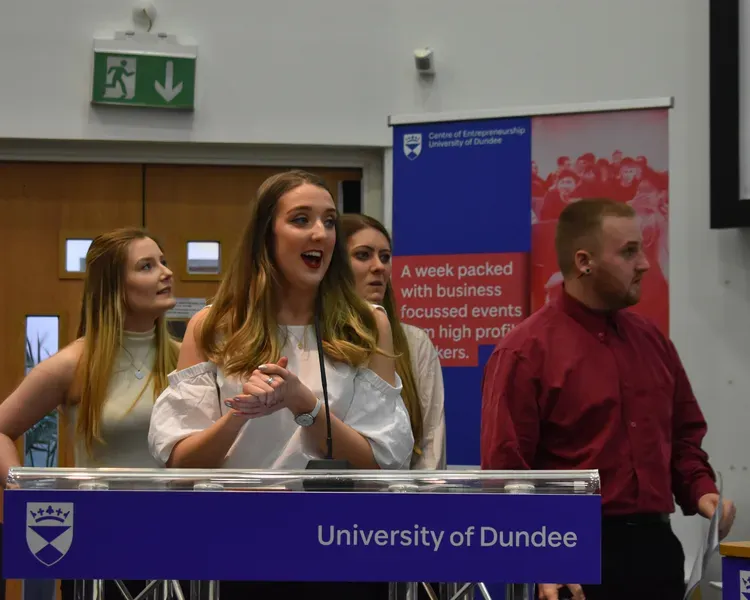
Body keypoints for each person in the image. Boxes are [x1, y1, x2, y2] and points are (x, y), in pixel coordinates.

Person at [147, 170, 413, 599]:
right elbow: (179, 467)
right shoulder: (212, 326)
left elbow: (382, 465)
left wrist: (305, 405)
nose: (320, 233)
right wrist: (239, 413)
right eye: (301, 219)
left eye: (329, 221)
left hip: (340, 548)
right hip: (235, 551)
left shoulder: (367, 325)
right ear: (265, 235)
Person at [480, 198, 736, 600]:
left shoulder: (652, 341)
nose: (645, 264)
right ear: (584, 262)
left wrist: (702, 490)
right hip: (573, 558)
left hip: (657, 551)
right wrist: (540, 556)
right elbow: (508, 473)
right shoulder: (524, 352)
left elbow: (683, 438)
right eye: (629, 252)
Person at [0, 227, 180, 600]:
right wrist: (21, 488)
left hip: (179, 543)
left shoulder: (185, 359)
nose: (166, 273)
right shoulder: (75, 363)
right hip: (98, 548)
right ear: (113, 286)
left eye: (163, 262)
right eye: (147, 266)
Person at [341, 213, 446, 469]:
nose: (379, 266)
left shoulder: (414, 342)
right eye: (363, 255)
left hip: (402, 489)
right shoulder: (313, 338)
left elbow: (432, 442)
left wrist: (415, 494)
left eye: (385, 257)